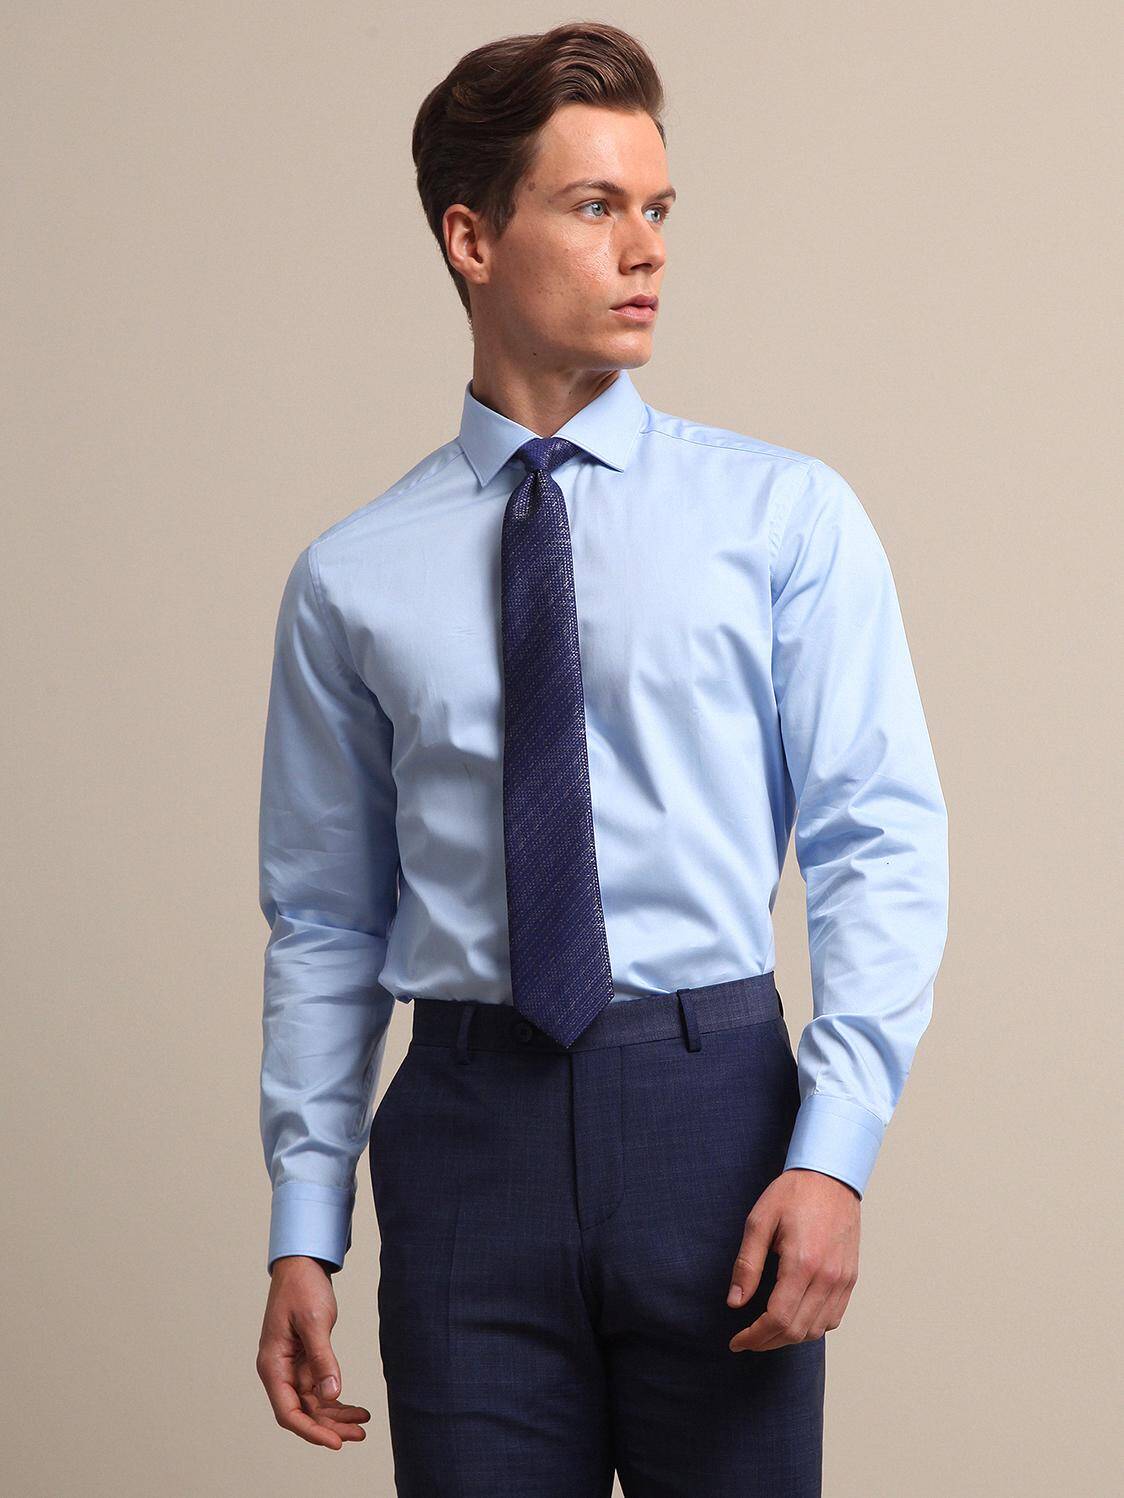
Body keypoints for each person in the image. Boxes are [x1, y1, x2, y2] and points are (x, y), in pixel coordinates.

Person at [253, 21, 949, 1497]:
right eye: (594, 206)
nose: (647, 250)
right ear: (472, 238)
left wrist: (833, 1150)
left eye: (659, 208)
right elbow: (323, 919)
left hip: (718, 1127)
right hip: (466, 1138)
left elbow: (876, 837)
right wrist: (304, 1225)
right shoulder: (351, 577)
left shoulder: (782, 520)